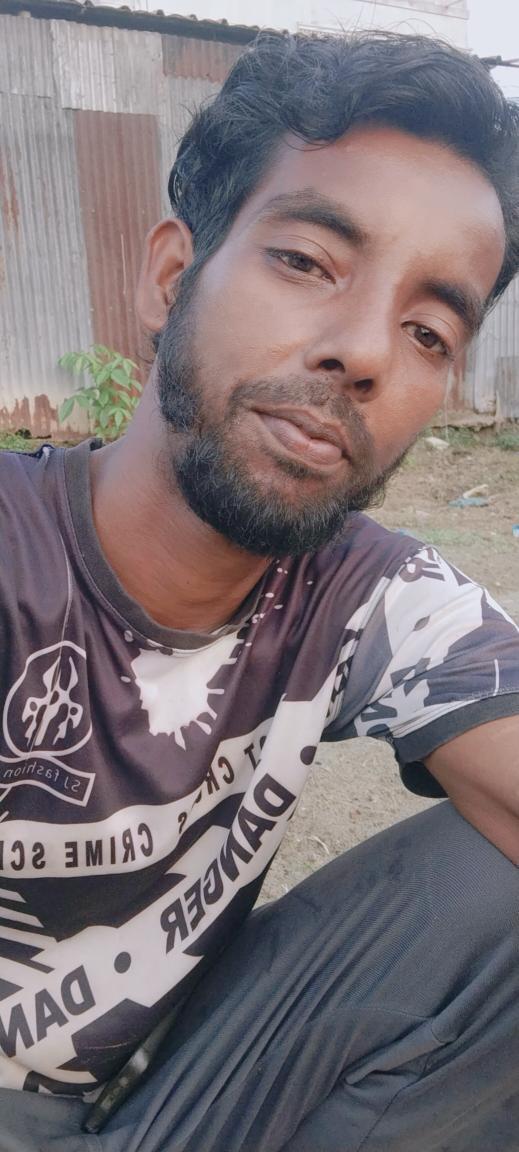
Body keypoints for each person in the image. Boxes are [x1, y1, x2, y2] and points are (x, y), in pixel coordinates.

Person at [0, 28, 518, 1152]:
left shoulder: (367, 597)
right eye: (307, 262)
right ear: (172, 276)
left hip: (169, 1094)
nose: (364, 352)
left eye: (428, 331)